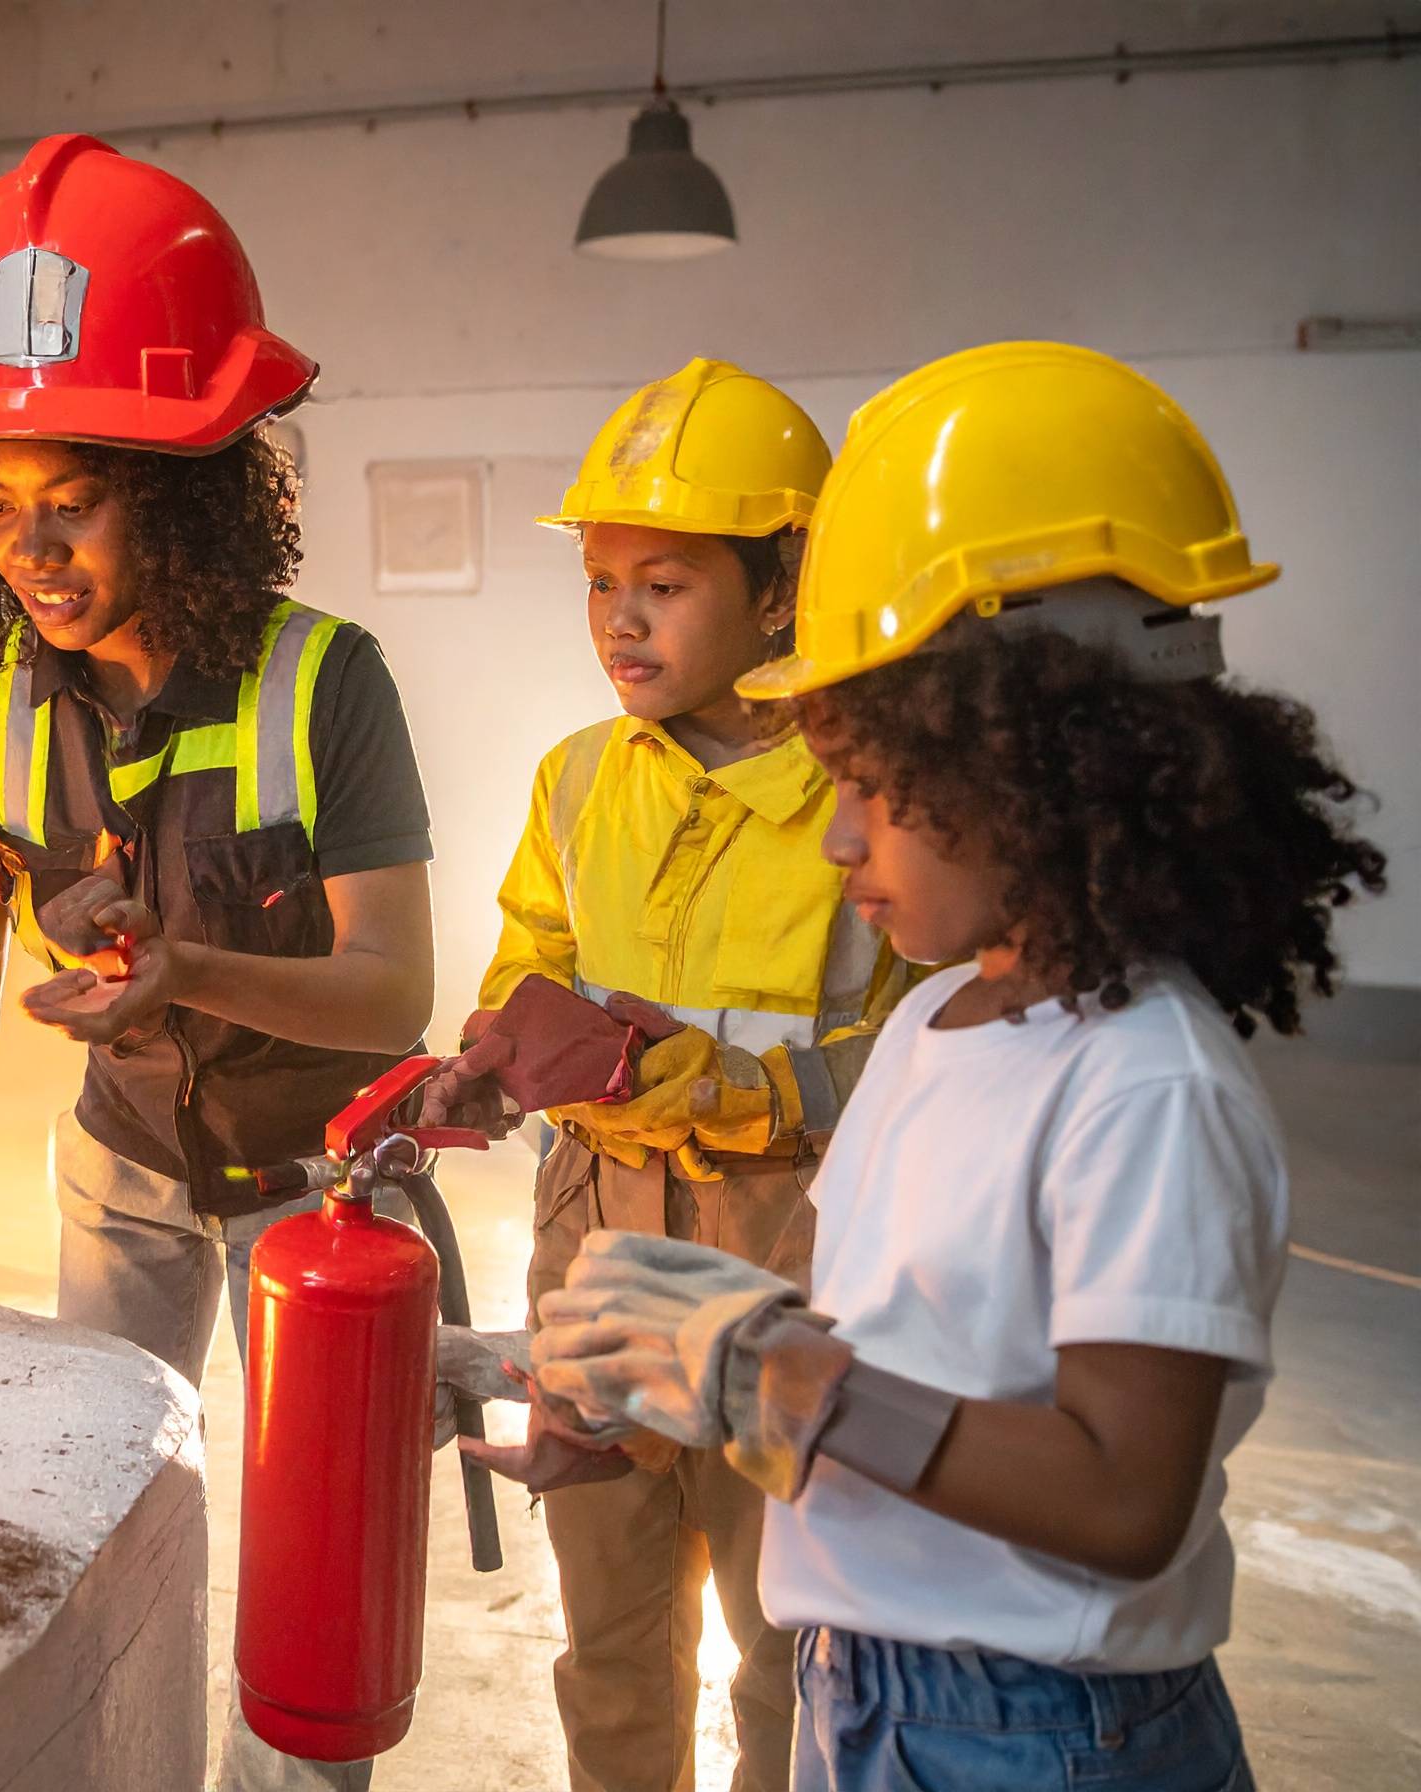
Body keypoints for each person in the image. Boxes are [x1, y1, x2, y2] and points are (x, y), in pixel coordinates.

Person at [505, 342, 1388, 1791]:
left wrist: (788, 1379)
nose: (839, 838)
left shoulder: (1143, 1089)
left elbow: (1125, 1497)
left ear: (1046, 767)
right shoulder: (934, 1025)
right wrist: (640, 1380)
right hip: (878, 1700)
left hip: (1045, 1736)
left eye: (874, 785)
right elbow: (880, 1323)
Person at [0, 135, 435, 1791]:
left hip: (327, 1190)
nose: (28, 551)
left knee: (319, 1575)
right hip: (123, 1169)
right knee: (106, 1513)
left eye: (75, 501)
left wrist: (183, 972)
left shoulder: (327, 682)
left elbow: (391, 990)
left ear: (181, 495)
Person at [422, 361, 909, 1792]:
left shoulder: (858, 786)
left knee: (787, 1648)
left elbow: (914, 1049)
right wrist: (490, 1066)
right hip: (599, 1241)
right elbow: (530, 971)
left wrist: (707, 1080)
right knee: (614, 1633)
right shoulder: (579, 778)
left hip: (793, 1250)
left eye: (667, 583)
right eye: (601, 582)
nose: (620, 619)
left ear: (780, 594)